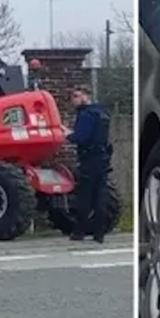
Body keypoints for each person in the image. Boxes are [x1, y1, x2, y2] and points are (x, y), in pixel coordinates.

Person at [68, 85, 112, 243]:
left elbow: (81, 137)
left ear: (85, 96)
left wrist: (69, 136)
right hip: (103, 158)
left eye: (76, 96)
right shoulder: (102, 113)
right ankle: (99, 234)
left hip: (89, 159)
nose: (74, 100)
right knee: (100, 197)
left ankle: (79, 232)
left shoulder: (86, 115)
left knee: (85, 197)